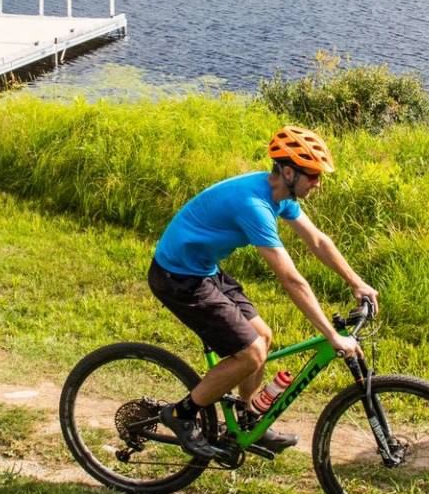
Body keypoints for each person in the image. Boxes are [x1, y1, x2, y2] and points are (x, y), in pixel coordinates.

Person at [150, 125, 379, 461]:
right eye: (313, 175)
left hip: (203, 269)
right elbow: (291, 280)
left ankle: (243, 421)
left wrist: (356, 282)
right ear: (288, 172)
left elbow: (317, 241)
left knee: (263, 337)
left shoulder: (279, 195)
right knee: (251, 353)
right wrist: (332, 335)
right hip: (177, 277)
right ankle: (181, 414)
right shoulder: (254, 205)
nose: (318, 182)